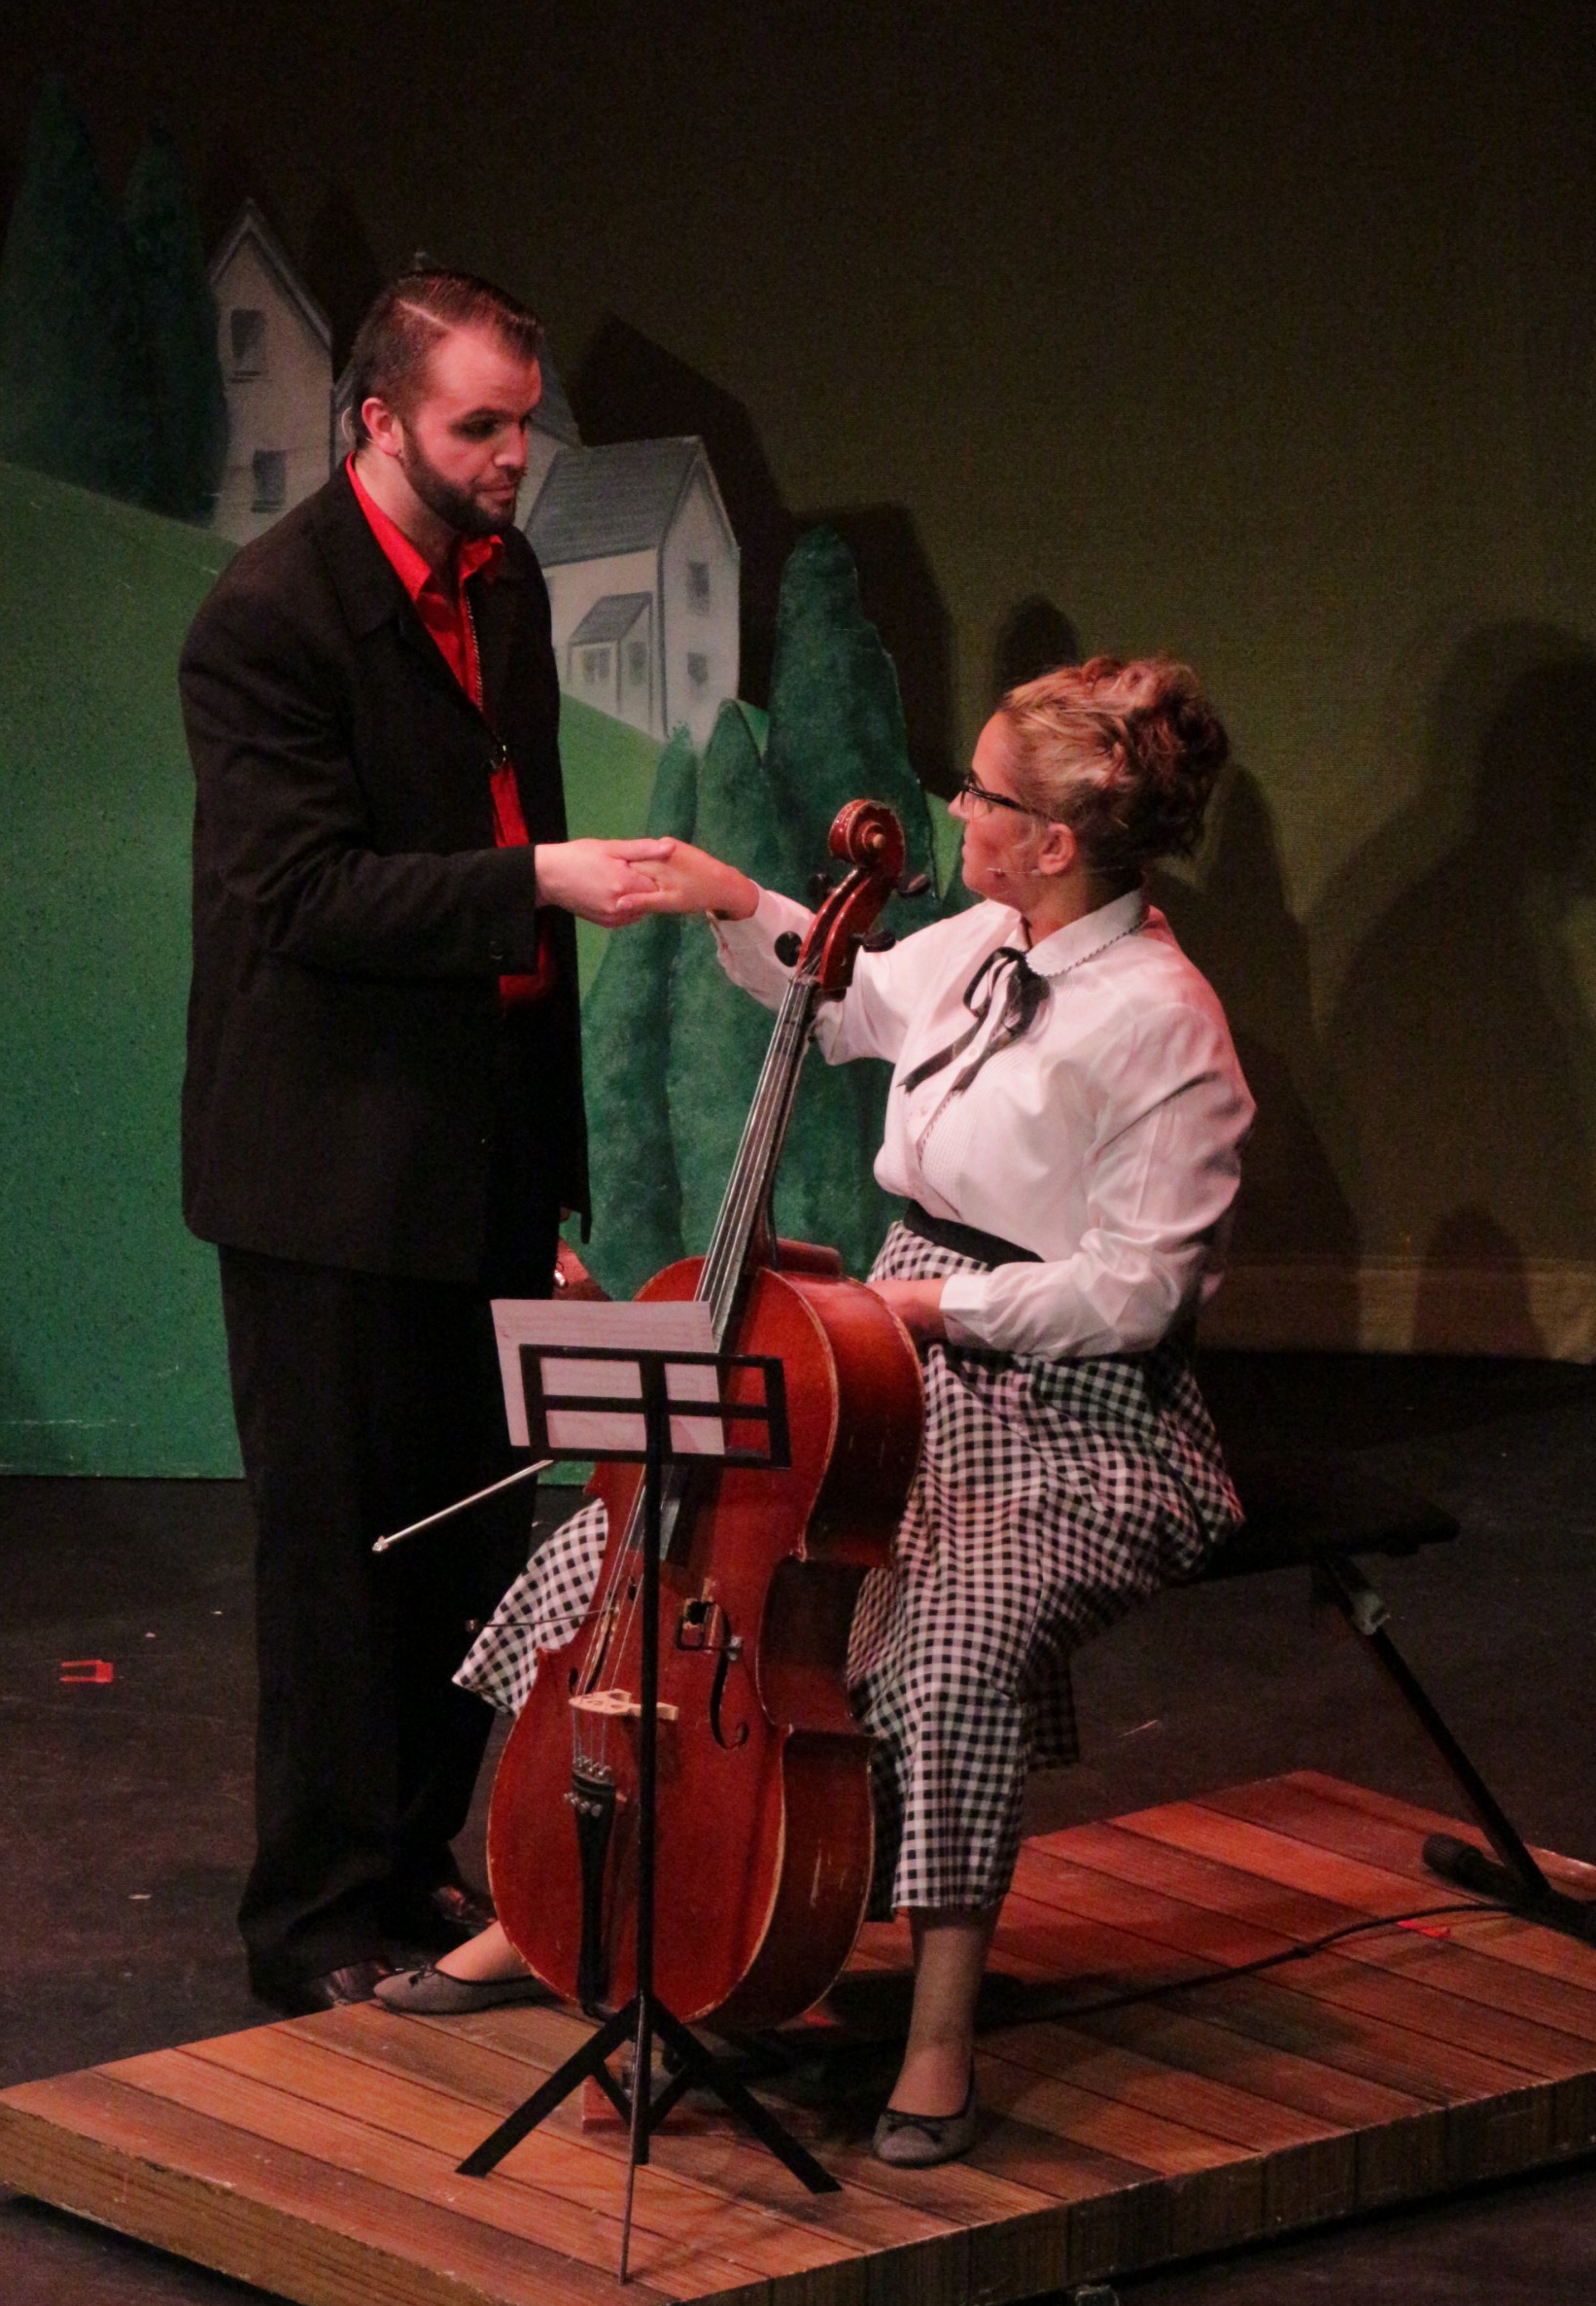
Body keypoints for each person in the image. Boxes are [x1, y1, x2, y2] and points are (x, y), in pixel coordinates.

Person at [380, 656, 1254, 2170]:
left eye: (983, 792)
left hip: (1072, 1412)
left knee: (948, 1644)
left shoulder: (1167, 1024)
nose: (957, 808)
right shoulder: (983, 940)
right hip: (882, 1352)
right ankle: (570, 1900)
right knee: (623, 1559)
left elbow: (1139, 1293)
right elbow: (842, 991)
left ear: (1054, 840)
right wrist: (732, 896)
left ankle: (937, 2030)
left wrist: (938, 1310)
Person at [178, 267, 664, 2015]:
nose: (515, 455)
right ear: (377, 420)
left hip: (480, 1143)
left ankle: (409, 1859)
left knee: (474, 1537)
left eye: (525, 423)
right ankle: (314, 1917)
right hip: (329, 1167)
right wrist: (536, 881)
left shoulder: (502, 578)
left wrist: (540, 1166)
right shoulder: (270, 617)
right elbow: (300, 892)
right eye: (480, 425)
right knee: (339, 1554)